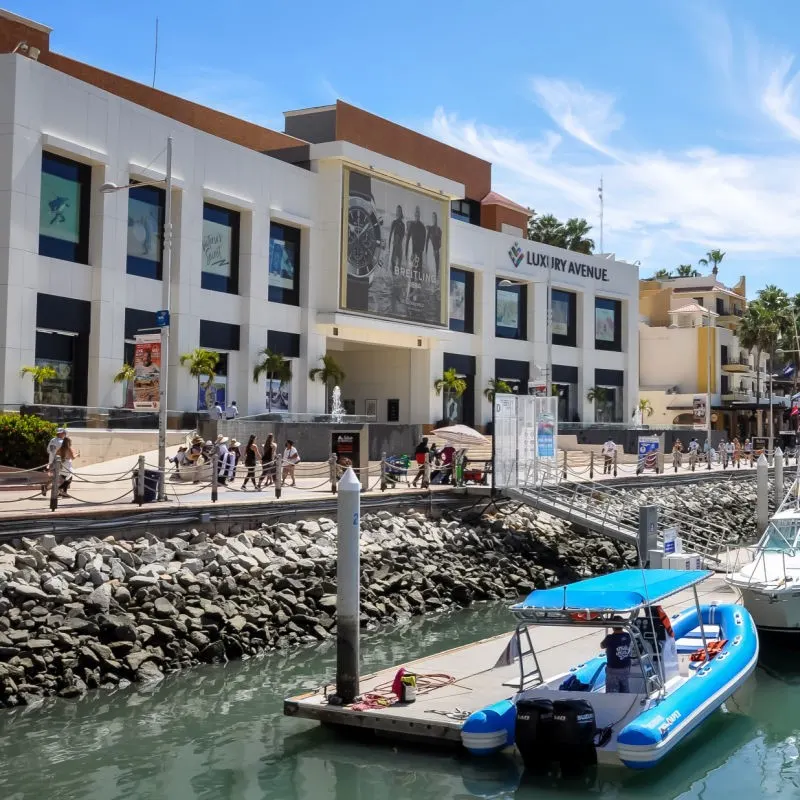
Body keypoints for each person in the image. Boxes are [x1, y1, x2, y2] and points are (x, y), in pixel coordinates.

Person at [601, 622, 632, 693]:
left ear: (613, 627)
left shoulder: (610, 638)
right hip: (625, 668)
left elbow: (602, 646)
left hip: (613, 668)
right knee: (625, 689)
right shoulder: (627, 636)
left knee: (612, 692)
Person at [41, 427, 67, 495]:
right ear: (61, 434)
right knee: (61, 476)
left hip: (51, 460)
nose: (64, 434)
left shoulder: (52, 440)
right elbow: (64, 452)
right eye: (63, 433)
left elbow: (48, 450)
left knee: (55, 476)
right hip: (59, 461)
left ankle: (46, 486)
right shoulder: (62, 442)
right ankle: (57, 491)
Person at [388, 204, 405, 270]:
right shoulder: (394, 222)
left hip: (399, 246)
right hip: (394, 245)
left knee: (399, 265)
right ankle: (393, 276)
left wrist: (399, 245)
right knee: (393, 262)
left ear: (401, 213)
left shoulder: (403, 225)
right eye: (397, 211)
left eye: (399, 211)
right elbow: (390, 235)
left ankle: (398, 278)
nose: (398, 212)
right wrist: (389, 247)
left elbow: (403, 236)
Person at [425, 211, 442, 277]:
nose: (434, 219)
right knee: (430, 267)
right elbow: (426, 241)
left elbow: (440, 242)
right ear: (432, 219)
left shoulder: (439, 229)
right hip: (430, 251)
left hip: (436, 251)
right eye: (433, 217)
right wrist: (426, 252)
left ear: (436, 219)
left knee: (436, 266)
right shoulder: (430, 228)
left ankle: (436, 277)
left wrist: (437, 250)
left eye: (435, 217)